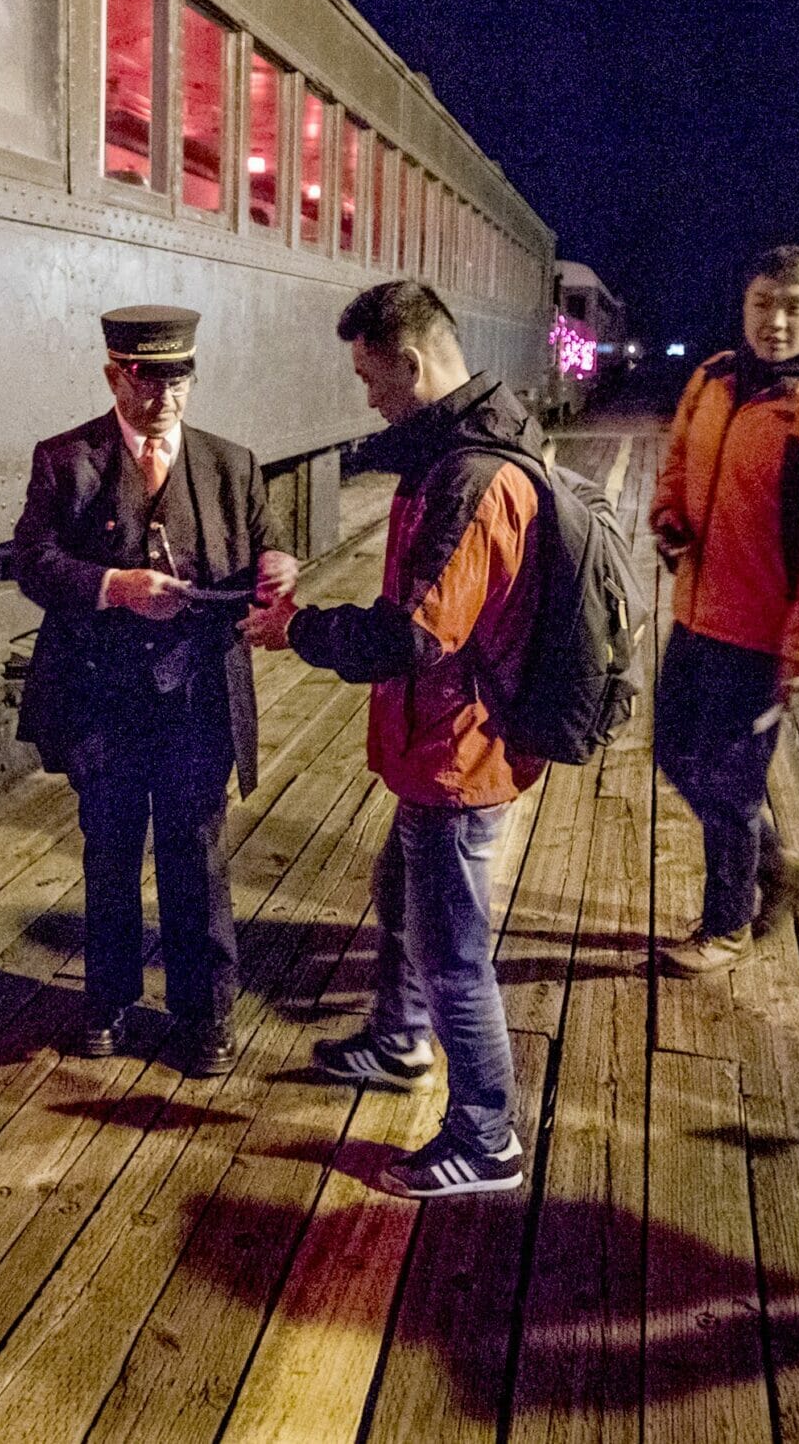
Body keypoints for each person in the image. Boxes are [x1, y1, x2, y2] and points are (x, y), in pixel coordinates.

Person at [243, 281, 541, 1198]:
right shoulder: (464, 450)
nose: (368, 398)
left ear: (412, 364)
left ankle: (487, 1134)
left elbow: (414, 634)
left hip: (460, 752)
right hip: (439, 746)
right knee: (399, 894)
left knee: (454, 953)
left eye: (372, 380)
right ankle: (399, 1042)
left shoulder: (470, 476)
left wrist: (295, 629)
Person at [14, 306, 297, 1077]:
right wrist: (115, 585)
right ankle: (107, 1001)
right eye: (146, 380)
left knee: (196, 854)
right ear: (114, 376)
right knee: (108, 854)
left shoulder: (231, 463)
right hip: (103, 699)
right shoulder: (64, 460)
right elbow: (32, 564)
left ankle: (204, 1014)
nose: (164, 397)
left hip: (197, 697)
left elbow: (265, 542)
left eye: (179, 378)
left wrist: (278, 567)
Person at [646, 244, 799, 976]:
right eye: (763, 305)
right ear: (744, 305)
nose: (776, 323)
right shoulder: (713, 378)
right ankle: (775, 871)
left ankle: (727, 925)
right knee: (675, 755)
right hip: (696, 614)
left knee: (732, 785)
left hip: (760, 635)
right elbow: (678, 463)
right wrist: (669, 517)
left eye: (794, 307)